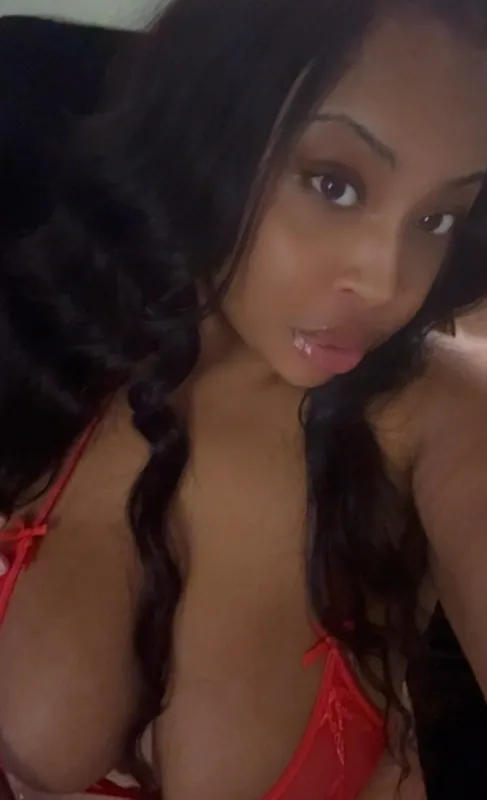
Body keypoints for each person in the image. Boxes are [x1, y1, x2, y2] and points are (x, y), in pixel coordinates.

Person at [1, 0, 487, 797]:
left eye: (436, 218)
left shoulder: (434, 412)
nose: (386, 283)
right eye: (334, 184)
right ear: (208, 128)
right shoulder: (50, 333)